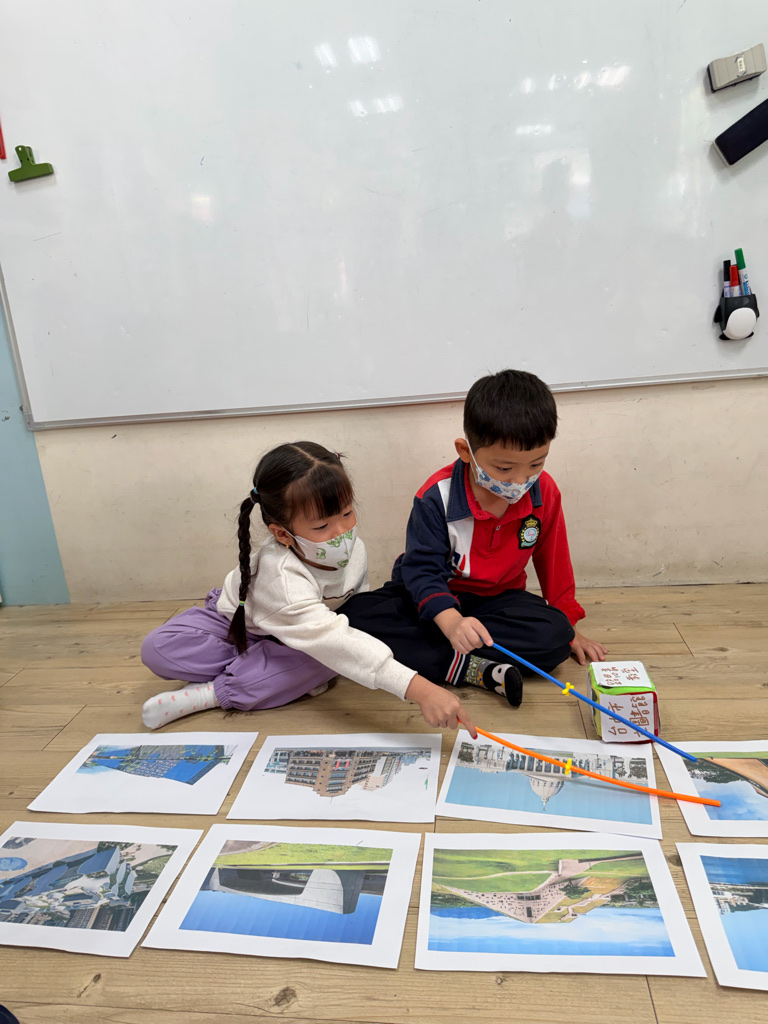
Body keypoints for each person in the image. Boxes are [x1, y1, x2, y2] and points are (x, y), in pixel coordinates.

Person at [140, 441, 475, 736]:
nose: (342, 532)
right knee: (157, 649)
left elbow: (346, 627)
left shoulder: (353, 549)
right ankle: (266, 668)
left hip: (309, 634)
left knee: (331, 656)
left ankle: (212, 693)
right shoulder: (281, 577)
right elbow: (334, 641)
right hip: (239, 622)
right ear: (282, 534)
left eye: (347, 513)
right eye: (322, 525)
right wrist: (422, 690)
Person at [342, 369, 607, 706]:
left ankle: (443, 656)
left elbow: (553, 562)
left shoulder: (545, 492)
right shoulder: (435, 497)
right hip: (432, 595)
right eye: (504, 469)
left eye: (536, 464)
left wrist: (571, 627)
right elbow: (422, 571)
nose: (520, 480)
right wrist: (450, 621)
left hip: (498, 602)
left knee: (555, 636)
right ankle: (467, 666)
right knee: (354, 618)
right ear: (465, 451)